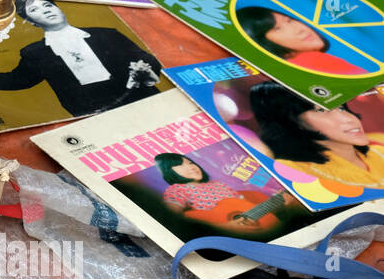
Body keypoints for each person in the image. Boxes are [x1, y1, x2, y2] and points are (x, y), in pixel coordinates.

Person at [0, 0, 163, 117]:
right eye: (35, 10)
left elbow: (147, 59)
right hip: (90, 109)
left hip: (137, 95)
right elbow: (20, 79)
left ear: (59, 9)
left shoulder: (106, 33)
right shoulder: (34, 52)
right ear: (31, 22)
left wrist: (145, 70)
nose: (46, 11)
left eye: (48, 6)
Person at [250, 83, 384, 188]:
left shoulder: (379, 152)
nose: (348, 119)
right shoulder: (291, 170)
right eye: (321, 110)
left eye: (341, 108)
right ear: (291, 121)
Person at [154, 153, 295, 234]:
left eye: (190, 162)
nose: (190, 166)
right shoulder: (177, 189)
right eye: (180, 164)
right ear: (168, 171)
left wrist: (280, 203)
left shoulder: (218, 185)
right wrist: (225, 227)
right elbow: (170, 219)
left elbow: (248, 209)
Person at [235, 6, 369, 75]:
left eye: (289, 20)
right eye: (277, 29)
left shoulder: (294, 69)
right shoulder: (311, 60)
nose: (300, 29)